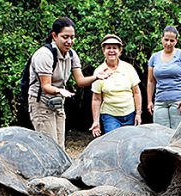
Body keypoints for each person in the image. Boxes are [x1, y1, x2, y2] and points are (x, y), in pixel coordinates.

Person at [28, 17, 110, 149]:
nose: (69, 41)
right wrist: (59, 90)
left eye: (72, 37)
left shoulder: (71, 54)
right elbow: (46, 86)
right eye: (65, 37)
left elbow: (80, 81)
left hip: (58, 102)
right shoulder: (44, 55)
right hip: (41, 103)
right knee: (50, 146)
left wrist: (96, 77)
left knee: (60, 146)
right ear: (54, 36)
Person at [90, 34, 142, 137]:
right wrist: (96, 121)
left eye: (115, 48)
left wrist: (138, 113)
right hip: (110, 114)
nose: (111, 51)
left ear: (120, 50)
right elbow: (96, 99)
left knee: (129, 142)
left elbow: (136, 92)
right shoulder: (99, 71)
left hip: (129, 113)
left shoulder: (128, 68)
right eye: (108, 48)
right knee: (113, 141)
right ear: (103, 50)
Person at [147, 26, 181, 129]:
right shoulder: (154, 57)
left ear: (176, 41)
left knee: (177, 132)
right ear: (161, 39)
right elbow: (151, 81)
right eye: (166, 40)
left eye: (172, 40)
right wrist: (150, 101)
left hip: (178, 100)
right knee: (160, 132)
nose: (168, 43)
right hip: (160, 101)